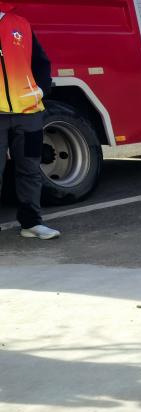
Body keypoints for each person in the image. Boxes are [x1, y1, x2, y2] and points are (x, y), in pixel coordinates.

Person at [0, 2, 59, 240]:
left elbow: (41, 62)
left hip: (29, 113)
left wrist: (41, 90)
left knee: (30, 169)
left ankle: (32, 223)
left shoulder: (20, 24)